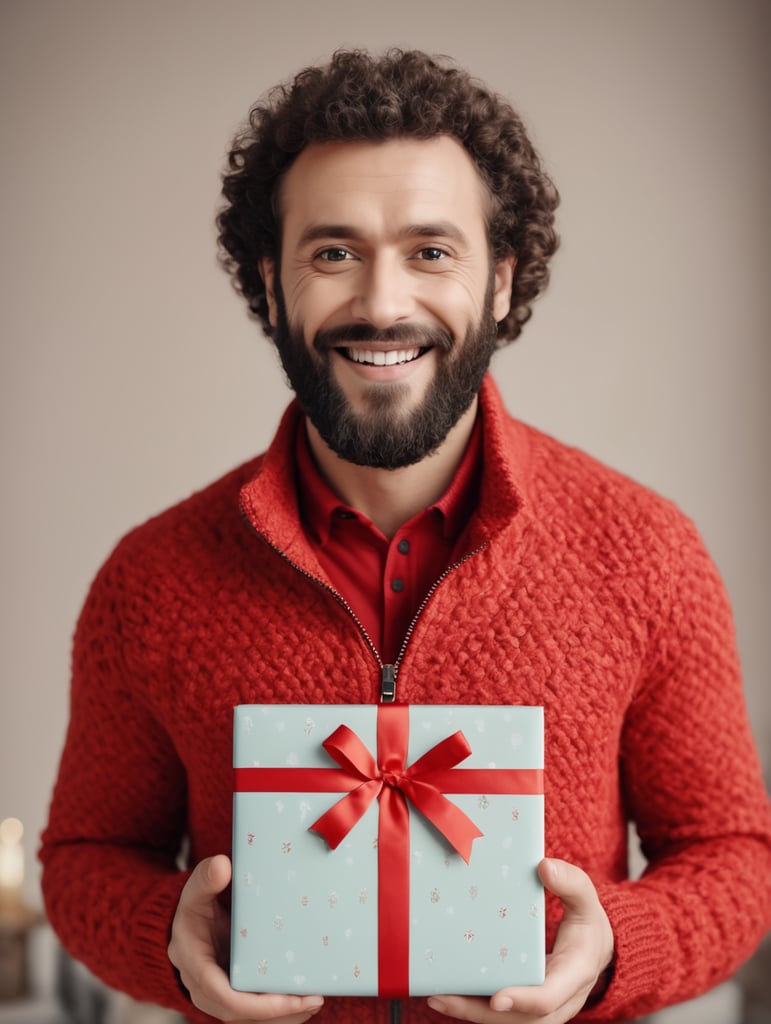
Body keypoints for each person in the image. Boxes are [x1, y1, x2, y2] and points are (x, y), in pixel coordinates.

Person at [40, 49, 771, 1024]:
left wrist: (613, 949)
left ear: (503, 282)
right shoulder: (152, 578)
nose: (383, 304)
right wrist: (165, 934)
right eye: (333, 252)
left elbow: (735, 857)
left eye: (432, 252)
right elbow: (85, 858)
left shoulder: (646, 551)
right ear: (270, 283)